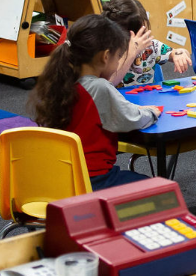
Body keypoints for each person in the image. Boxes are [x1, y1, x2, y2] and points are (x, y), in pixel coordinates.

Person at [29, 15, 161, 190]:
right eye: (118, 57)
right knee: (160, 189)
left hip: (63, 178)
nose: (117, 63)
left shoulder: (62, 81)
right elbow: (130, 118)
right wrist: (151, 112)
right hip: (94, 180)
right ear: (106, 56)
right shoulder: (99, 88)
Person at [102, 0, 192, 88]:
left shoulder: (149, 46)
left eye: (142, 32)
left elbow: (176, 52)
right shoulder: (106, 52)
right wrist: (132, 52)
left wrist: (179, 54)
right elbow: (109, 84)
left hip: (148, 100)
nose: (139, 39)